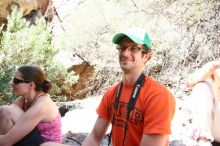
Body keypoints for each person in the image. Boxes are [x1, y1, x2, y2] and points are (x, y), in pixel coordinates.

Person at [40, 29, 176, 146]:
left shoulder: (158, 96)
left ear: (146, 56)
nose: (125, 53)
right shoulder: (112, 93)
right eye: (122, 47)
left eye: (134, 48)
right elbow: (94, 137)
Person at [0, 65, 62, 146]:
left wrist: (5, 140)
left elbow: (5, 141)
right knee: (5, 111)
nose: (11, 83)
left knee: (8, 111)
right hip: (33, 139)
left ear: (31, 85)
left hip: (43, 143)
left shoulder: (42, 105)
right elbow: (3, 116)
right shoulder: (25, 99)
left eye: (16, 81)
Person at [186, 60, 220, 146]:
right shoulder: (216, 67)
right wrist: (211, 69)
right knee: (201, 86)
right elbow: (189, 83)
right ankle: (203, 139)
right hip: (217, 127)